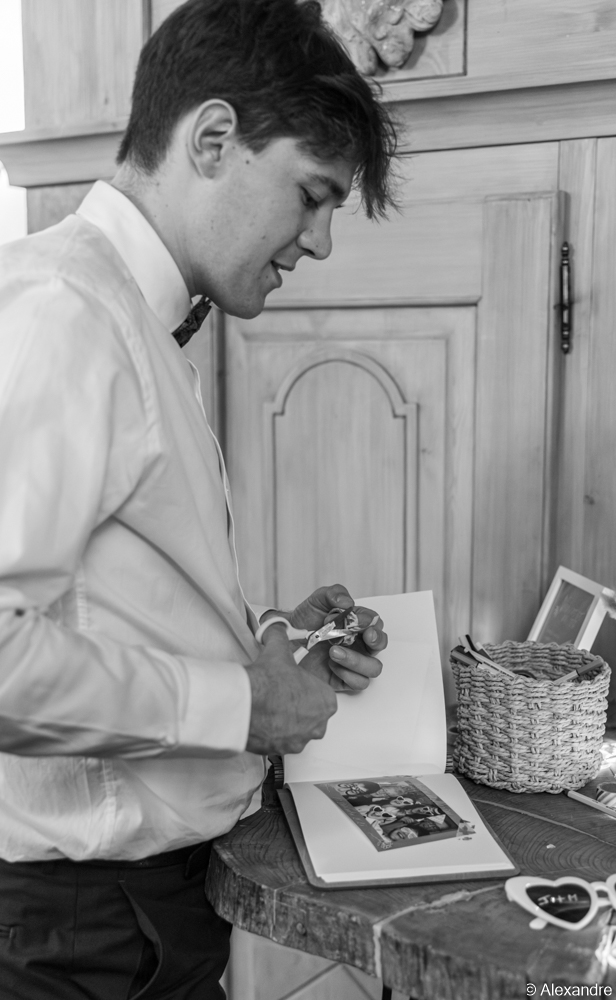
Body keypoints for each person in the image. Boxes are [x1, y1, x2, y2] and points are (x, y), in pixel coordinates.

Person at [0, 0, 399, 996]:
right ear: (213, 138)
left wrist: (265, 643)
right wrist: (243, 704)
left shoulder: (127, 317)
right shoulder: (65, 317)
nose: (319, 243)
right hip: (88, 931)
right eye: (311, 195)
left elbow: (108, 596)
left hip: (133, 916)